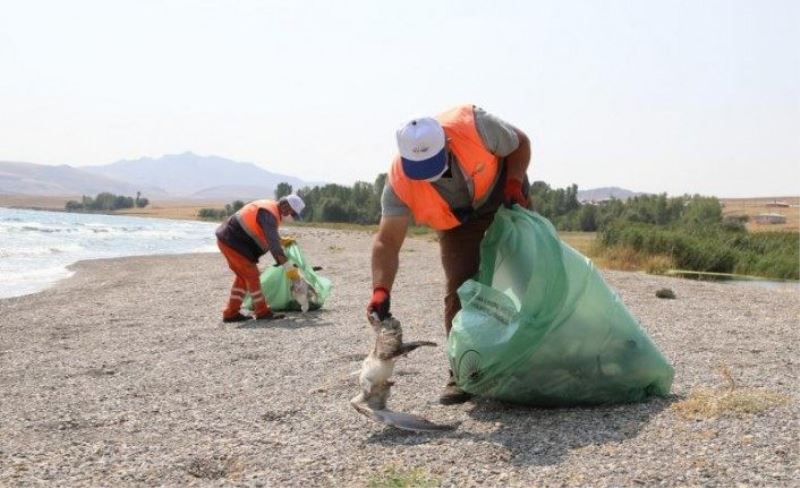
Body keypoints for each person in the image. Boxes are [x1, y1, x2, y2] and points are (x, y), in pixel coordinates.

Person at [368, 104, 531, 404]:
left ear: (447, 143)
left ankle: (534, 358)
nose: (430, 177)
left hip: (503, 192)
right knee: (459, 288)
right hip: (457, 222)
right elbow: (386, 242)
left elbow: (520, 142)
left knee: (523, 275)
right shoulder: (399, 182)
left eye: (435, 165)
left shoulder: (475, 126)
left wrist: (514, 182)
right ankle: (463, 373)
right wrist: (380, 291)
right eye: (421, 171)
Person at [216, 195, 305, 322]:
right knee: (252, 275)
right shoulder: (269, 213)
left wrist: (280, 241)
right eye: (292, 211)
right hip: (233, 243)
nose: (291, 214)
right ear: (286, 205)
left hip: (228, 240)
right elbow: (274, 247)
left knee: (243, 277)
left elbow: (265, 233)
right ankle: (262, 312)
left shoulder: (269, 208)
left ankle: (231, 313)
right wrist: (290, 270)